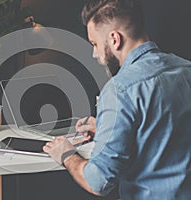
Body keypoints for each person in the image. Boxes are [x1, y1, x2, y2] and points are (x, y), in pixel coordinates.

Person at [43, 0, 191, 199]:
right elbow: (167, 128)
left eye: (95, 44)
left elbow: (98, 182)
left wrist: (67, 155)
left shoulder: (119, 90)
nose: (94, 53)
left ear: (114, 39)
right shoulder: (185, 69)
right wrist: (107, 126)